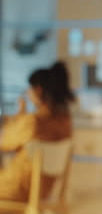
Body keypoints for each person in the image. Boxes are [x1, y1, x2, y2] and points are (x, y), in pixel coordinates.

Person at [0, 61, 75, 201]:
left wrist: (20, 114)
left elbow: (5, 142)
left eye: (29, 89)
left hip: (20, 187)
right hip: (44, 189)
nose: (27, 93)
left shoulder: (34, 121)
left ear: (38, 89)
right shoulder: (65, 119)